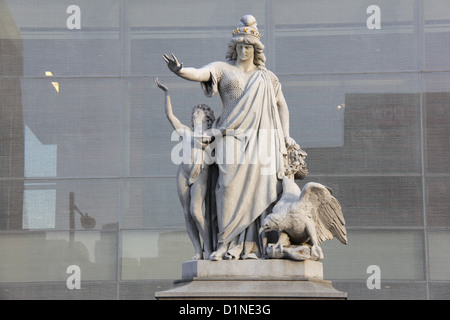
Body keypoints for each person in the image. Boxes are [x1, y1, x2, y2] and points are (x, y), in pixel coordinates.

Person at [163, 15, 295, 260]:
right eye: (239, 46)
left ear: (256, 50)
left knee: (262, 191)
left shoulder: (268, 78)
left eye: (248, 47)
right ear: (233, 48)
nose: (243, 51)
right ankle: (224, 243)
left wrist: (285, 136)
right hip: (229, 136)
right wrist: (181, 71)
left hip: (261, 139)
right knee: (226, 187)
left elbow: (282, 107)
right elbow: (201, 73)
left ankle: (253, 246)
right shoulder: (223, 69)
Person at [156, 78, 215, 260]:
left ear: (207, 117)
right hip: (183, 172)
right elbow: (170, 116)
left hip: (199, 173)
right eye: (194, 112)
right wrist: (167, 94)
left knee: (197, 212)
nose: (195, 114)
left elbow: (203, 141)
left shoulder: (211, 134)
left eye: (199, 112)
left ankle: (210, 249)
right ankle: (198, 250)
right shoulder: (186, 133)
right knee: (187, 214)